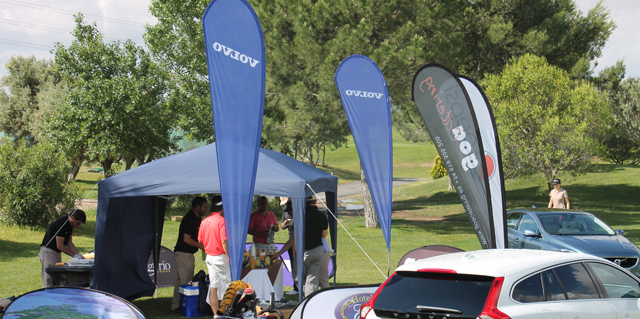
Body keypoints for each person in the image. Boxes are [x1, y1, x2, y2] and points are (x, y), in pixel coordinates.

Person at [171, 197, 207, 311]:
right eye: (204, 207)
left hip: (186, 254)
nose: (206, 209)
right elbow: (186, 239)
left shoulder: (197, 218)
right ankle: (184, 307)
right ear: (197, 207)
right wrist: (201, 246)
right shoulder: (190, 218)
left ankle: (176, 305)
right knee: (185, 281)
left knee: (180, 281)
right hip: (183, 254)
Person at [198, 196, 230, 317]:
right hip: (220, 256)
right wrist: (229, 256)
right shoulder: (222, 221)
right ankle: (232, 312)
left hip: (209, 256)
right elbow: (224, 241)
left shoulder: (204, 221)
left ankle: (216, 314)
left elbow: (200, 240)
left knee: (214, 286)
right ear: (221, 209)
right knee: (232, 286)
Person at [39, 209, 86, 288]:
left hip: (56, 253)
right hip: (49, 252)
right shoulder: (61, 224)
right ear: (72, 218)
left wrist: (79, 255)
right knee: (49, 279)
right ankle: (48, 298)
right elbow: (60, 245)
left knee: (57, 278)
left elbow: (69, 243)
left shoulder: (70, 225)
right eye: (77, 223)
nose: (78, 226)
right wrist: (74, 256)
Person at [303, 195, 328, 297]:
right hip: (317, 249)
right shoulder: (322, 216)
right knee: (312, 279)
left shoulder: (301, 215)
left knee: (301, 279)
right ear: (316, 201)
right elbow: (324, 235)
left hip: (303, 250)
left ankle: (303, 298)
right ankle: (310, 300)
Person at [279, 197, 299, 295]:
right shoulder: (285, 210)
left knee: (299, 264)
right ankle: (296, 286)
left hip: (296, 241)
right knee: (293, 264)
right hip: (291, 240)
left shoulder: (298, 208)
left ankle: (299, 286)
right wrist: (286, 223)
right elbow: (282, 226)